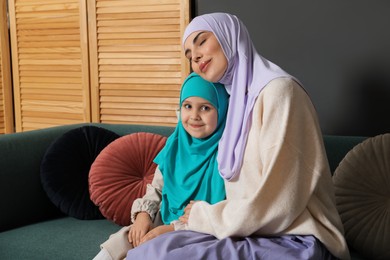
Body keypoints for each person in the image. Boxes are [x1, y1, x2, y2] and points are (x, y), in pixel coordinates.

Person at [126, 12, 350, 260]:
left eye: (201, 41)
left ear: (229, 36)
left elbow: (280, 202)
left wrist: (204, 216)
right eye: (189, 54)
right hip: (246, 231)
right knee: (146, 252)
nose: (196, 55)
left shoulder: (280, 92)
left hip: (295, 237)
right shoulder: (235, 105)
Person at [93, 72, 229, 260]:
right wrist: (143, 214)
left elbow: (228, 211)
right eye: (187, 106)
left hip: (201, 229)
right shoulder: (175, 144)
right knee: (129, 236)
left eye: (205, 108)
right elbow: (157, 187)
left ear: (222, 111)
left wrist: (172, 229)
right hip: (164, 218)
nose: (194, 116)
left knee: (156, 247)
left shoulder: (229, 154)